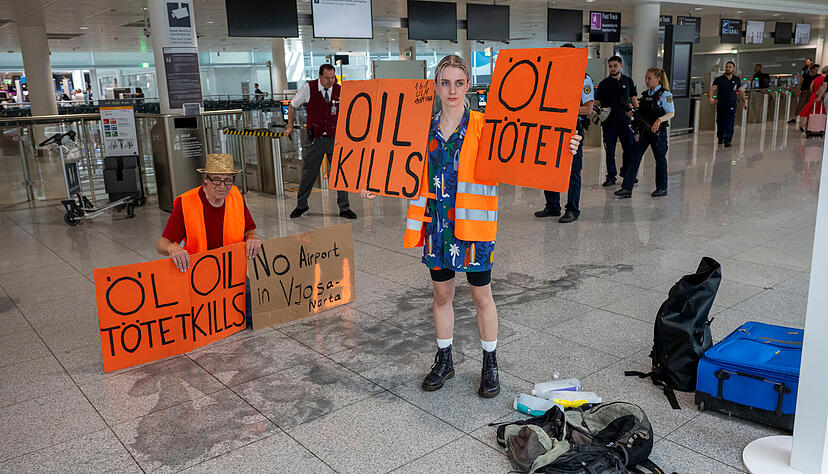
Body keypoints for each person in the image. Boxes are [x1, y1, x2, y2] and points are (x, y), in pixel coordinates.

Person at [361, 55, 582, 398]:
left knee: (482, 297)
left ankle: (490, 362)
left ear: (468, 86)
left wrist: (561, 147)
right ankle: (445, 358)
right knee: (442, 294)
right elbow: (401, 166)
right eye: (445, 82)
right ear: (435, 86)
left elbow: (525, 152)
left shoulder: (485, 127)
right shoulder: (421, 129)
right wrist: (378, 182)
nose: (452, 90)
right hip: (436, 226)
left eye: (459, 83)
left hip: (473, 227)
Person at [156, 154, 262, 324]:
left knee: (254, 315)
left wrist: (253, 237)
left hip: (231, 273)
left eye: (228, 180)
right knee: (196, 322)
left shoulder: (236, 197)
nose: (222, 186)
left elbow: (250, 231)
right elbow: (161, 244)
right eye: (216, 179)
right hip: (198, 275)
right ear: (205, 179)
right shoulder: (186, 202)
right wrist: (172, 248)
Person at [286, 64, 356, 220]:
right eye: (327, 78)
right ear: (320, 76)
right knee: (308, 173)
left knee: (340, 173)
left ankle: (344, 208)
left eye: (333, 77)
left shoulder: (340, 90)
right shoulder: (308, 88)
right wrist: (289, 125)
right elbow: (292, 105)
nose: (330, 81)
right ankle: (301, 205)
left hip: (334, 139)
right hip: (314, 140)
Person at [535, 43, 593, 223]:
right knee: (548, 169)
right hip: (552, 129)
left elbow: (588, 109)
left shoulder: (584, 79)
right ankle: (552, 206)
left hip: (572, 130)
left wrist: (564, 109)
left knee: (573, 171)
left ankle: (573, 209)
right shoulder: (553, 76)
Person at [615, 68, 675, 199]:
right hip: (643, 132)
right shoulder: (646, 94)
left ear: (658, 79)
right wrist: (633, 113)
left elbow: (671, 113)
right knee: (634, 157)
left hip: (657, 133)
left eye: (649, 78)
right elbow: (642, 112)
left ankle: (662, 187)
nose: (646, 81)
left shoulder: (665, 95)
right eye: (646, 78)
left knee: (660, 160)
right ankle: (626, 188)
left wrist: (659, 120)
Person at [595, 56, 638, 187]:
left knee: (629, 148)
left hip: (625, 121)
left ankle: (627, 173)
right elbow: (596, 103)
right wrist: (598, 112)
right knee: (610, 150)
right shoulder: (603, 84)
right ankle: (611, 176)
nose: (612, 68)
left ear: (621, 66)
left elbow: (634, 99)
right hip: (609, 123)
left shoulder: (628, 81)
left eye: (615, 66)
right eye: (610, 66)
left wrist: (636, 112)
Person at [709, 61, 748, 148]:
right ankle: (721, 136)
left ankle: (728, 139)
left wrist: (744, 102)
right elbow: (712, 89)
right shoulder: (719, 79)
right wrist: (711, 97)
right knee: (720, 122)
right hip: (721, 105)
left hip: (731, 105)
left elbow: (741, 91)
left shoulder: (736, 80)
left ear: (733, 69)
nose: (728, 68)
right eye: (726, 67)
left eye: (730, 67)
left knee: (729, 122)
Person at [798, 65, 827, 130]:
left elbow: (811, 87)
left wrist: (813, 93)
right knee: (820, 112)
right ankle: (818, 126)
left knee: (809, 111)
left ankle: (803, 124)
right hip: (821, 97)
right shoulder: (825, 79)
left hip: (814, 96)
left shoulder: (816, 78)